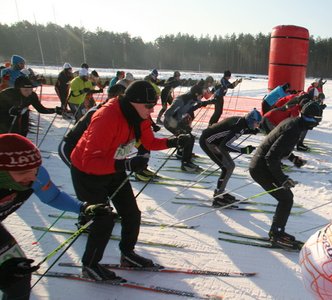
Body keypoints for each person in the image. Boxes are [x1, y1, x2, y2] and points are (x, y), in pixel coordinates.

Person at [69, 80, 189, 281]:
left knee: (132, 213)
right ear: (134, 102)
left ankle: (128, 254)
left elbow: (149, 142)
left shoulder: (139, 115)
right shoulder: (106, 117)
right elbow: (90, 161)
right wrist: (124, 165)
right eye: (149, 106)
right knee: (104, 219)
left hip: (114, 166)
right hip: (86, 172)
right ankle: (89, 265)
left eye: (154, 106)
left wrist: (173, 141)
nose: (151, 111)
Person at [0, 133, 111, 299]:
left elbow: (52, 196)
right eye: (23, 172)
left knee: (18, 278)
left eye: (35, 170)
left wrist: (83, 208)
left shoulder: (36, 175)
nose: (32, 177)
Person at [249, 101, 322, 249]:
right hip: (260, 168)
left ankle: (277, 232)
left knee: (286, 198)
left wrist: (293, 158)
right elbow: (271, 157)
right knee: (286, 198)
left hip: (262, 165)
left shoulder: (294, 123)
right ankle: (277, 234)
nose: (317, 124)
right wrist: (282, 179)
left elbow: (280, 147)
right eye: (318, 120)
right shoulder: (293, 129)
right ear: (312, 119)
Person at [199, 108, 261, 206]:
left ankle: (220, 193)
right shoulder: (240, 126)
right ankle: (218, 197)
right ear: (251, 121)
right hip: (209, 142)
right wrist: (243, 150)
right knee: (227, 167)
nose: (257, 125)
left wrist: (251, 131)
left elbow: (234, 131)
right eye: (256, 123)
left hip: (215, 141)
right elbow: (225, 145)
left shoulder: (241, 122)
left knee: (229, 166)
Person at [164, 82, 216, 172]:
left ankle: (181, 153)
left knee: (187, 137)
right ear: (196, 94)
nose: (201, 97)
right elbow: (167, 115)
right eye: (200, 96)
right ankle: (185, 163)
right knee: (189, 138)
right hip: (170, 122)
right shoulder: (181, 100)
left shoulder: (192, 99)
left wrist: (208, 102)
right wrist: (180, 126)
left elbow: (192, 107)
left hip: (178, 121)